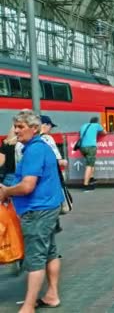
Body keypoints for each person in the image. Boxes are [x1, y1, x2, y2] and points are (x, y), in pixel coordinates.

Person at [0, 109, 64, 313]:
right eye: (15, 126)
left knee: (35, 258)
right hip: (50, 206)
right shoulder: (42, 147)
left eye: (21, 127)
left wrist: (7, 191)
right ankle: (52, 294)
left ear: (34, 128)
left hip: (37, 210)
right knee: (50, 252)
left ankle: (28, 306)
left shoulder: (34, 150)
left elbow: (27, 186)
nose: (16, 131)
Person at [79, 117, 106, 191]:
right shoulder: (96, 125)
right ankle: (85, 185)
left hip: (82, 147)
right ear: (97, 122)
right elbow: (105, 133)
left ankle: (91, 178)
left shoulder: (84, 125)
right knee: (89, 165)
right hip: (90, 147)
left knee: (91, 163)